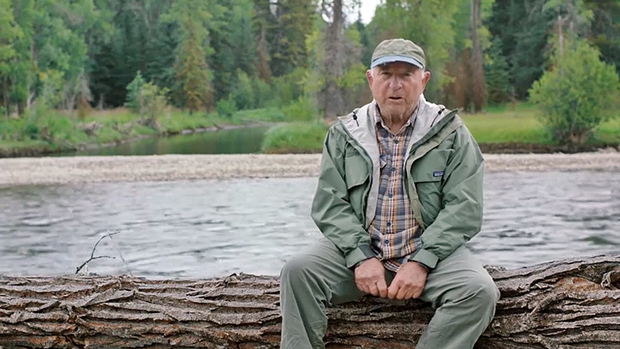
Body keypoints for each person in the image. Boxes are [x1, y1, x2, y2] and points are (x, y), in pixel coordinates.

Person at [279, 38, 500, 349]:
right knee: (297, 272)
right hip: (360, 252)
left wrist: (422, 261)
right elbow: (330, 204)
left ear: (423, 80)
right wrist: (359, 257)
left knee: (478, 291)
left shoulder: (451, 132)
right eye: (386, 74)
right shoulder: (344, 133)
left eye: (406, 75)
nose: (395, 85)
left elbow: (465, 208)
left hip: (428, 254)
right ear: (371, 80)